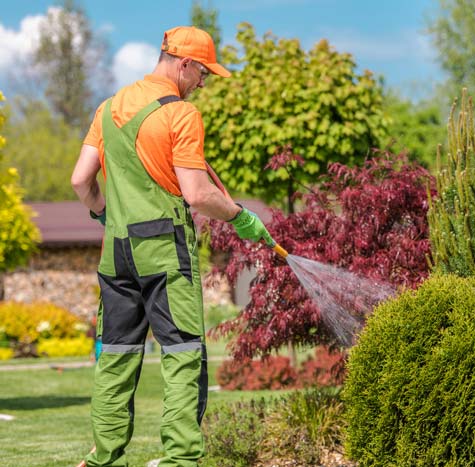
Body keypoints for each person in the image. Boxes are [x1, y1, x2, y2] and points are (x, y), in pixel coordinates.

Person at [71, 26, 274, 467]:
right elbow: (197, 194)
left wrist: (104, 213)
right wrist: (239, 215)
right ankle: (181, 460)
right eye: (203, 73)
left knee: (117, 355)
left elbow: (80, 180)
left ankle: (103, 458)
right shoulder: (181, 115)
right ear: (183, 64)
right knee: (183, 354)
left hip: (116, 254)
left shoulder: (108, 108)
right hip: (165, 250)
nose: (204, 83)